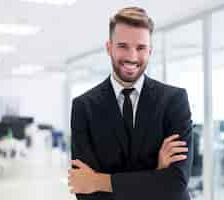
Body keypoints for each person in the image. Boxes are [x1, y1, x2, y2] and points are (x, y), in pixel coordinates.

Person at [69, 7, 193, 200]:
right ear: (109, 47)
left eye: (141, 48)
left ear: (150, 51)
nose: (132, 57)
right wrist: (156, 174)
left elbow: (175, 183)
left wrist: (99, 181)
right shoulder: (83, 107)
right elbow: (85, 191)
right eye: (123, 46)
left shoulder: (174, 101)